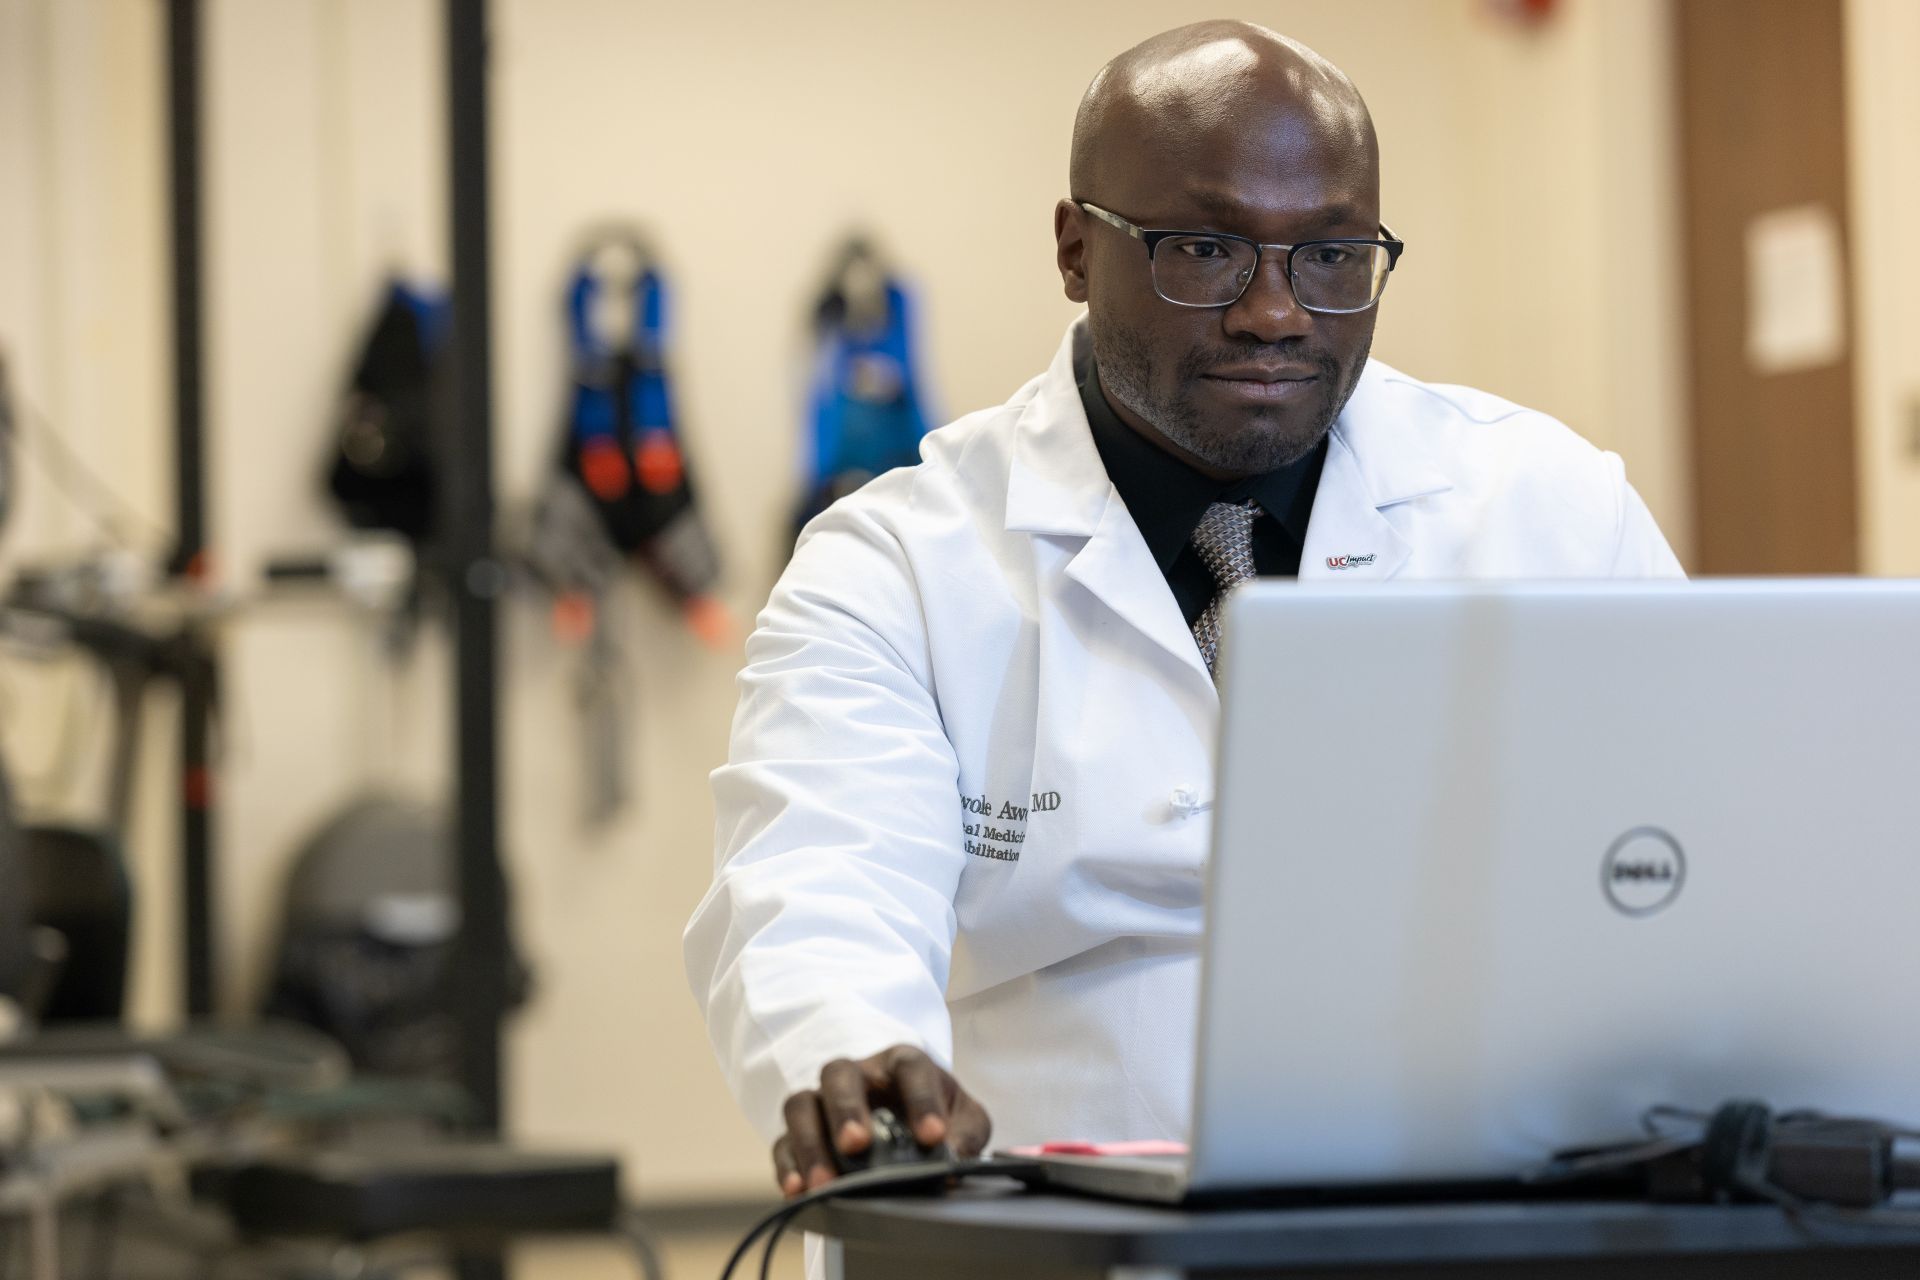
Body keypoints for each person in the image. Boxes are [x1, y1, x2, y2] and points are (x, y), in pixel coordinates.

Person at [684, 19, 1683, 1200]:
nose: (1277, 312)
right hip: (1053, 1230)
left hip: (1472, 1206)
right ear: (1072, 247)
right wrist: (855, 1056)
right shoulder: (896, 563)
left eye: (1332, 254)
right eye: (1206, 250)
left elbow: (1694, 861)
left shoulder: (1553, 511)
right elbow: (824, 878)